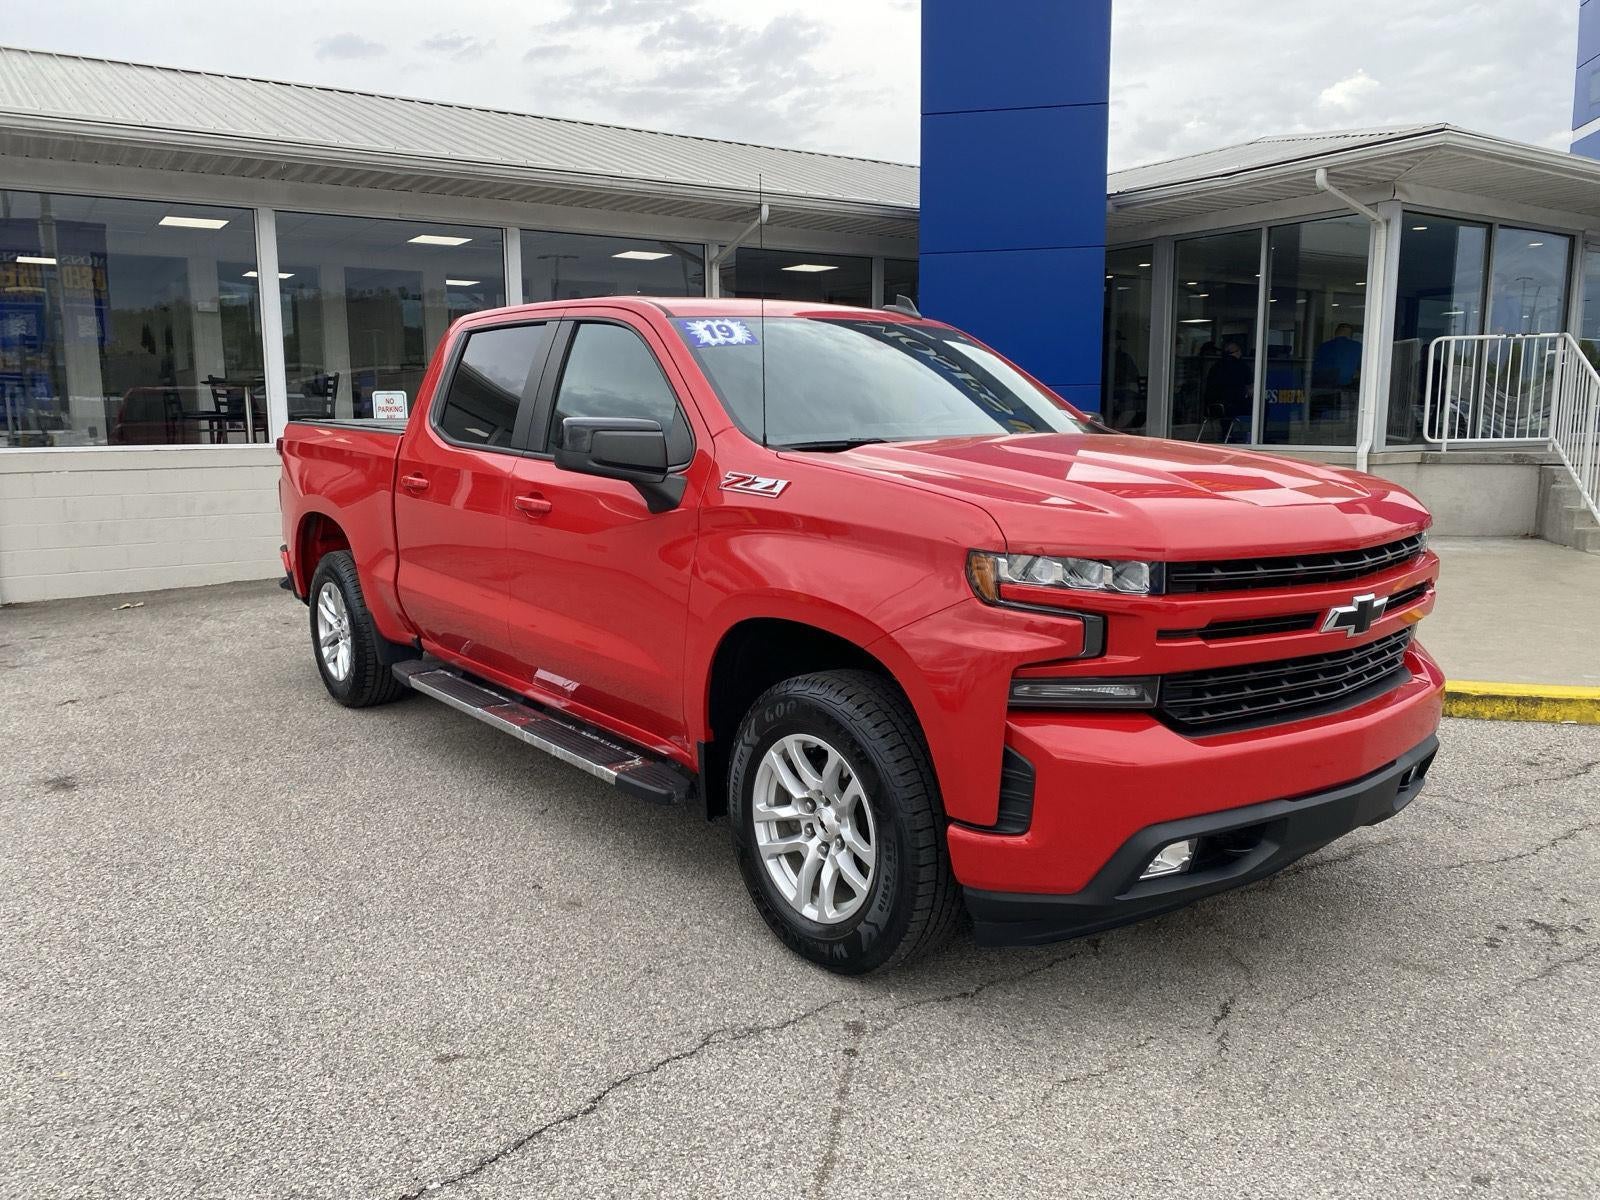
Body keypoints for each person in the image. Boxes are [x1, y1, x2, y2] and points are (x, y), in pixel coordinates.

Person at [1313, 323, 1363, 389]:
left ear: (1336, 333)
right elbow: (1363, 369)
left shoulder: (1323, 346)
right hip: (1347, 387)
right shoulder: (1357, 347)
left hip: (1322, 387)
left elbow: (1315, 367)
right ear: (1350, 335)